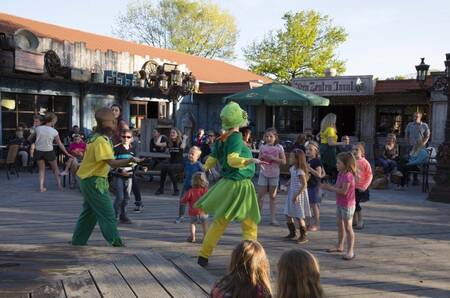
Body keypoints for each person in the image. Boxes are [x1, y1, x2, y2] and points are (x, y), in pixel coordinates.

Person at [194, 102, 266, 267]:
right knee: (249, 223)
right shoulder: (235, 137)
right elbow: (232, 160)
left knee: (219, 221)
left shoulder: (221, 139)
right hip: (241, 185)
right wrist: (250, 160)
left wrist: (204, 169)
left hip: (226, 185)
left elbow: (211, 159)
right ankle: (250, 260)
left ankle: (203, 256)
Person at [71, 108, 142, 247]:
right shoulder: (101, 141)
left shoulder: (94, 137)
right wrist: (131, 160)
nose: (115, 125)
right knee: (108, 213)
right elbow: (112, 162)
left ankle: (78, 241)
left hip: (89, 179)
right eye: (113, 122)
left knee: (89, 213)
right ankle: (116, 242)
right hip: (94, 180)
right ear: (106, 123)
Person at [321, 152, 357, 260]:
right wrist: (327, 189)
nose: (336, 164)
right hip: (340, 203)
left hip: (348, 205)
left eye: (338, 163)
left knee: (348, 227)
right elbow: (337, 186)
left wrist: (329, 188)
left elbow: (343, 191)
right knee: (340, 224)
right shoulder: (340, 173)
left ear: (346, 164)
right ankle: (340, 246)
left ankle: (350, 250)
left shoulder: (348, 176)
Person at [34, 112, 73, 192]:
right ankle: (59, 186)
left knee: (41, 169)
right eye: (55, 120)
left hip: (38, 151)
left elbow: (33, 137)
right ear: (52, 120)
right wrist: (67, 153)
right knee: (55, 169)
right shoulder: (54, 131)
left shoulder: (38, 128)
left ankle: (41, 187)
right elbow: (60, 144)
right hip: (49, 151)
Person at [257, 128, 286, 225]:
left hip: (274, 174)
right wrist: (261, 159)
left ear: (275, 137)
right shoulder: (262, 147)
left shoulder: (279, 147)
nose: (268, 138)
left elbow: (284, 161)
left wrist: (273, 158)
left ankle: (273, 219)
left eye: (271, 136)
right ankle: (258, 217)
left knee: (272, 197)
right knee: (260, 196)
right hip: (263, 173)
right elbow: (258, 160)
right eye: (266, 136)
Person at [283, 149, 311, 243]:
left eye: (291, 157)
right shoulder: (292, 169)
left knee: (299, 216)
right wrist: (288, 183)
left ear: (297, 159)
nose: (289, 158)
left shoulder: (300, 171)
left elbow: (304, 184)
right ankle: (292, 233)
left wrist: (297, 195)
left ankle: (304, 235)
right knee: (288, 213)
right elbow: (292, 179)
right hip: (292, 193)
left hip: (298, 194)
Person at [155, 128, 188, 196]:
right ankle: (161, 189)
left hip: (180, 164)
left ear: (177, 134)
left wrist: (184, 138)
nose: (172, 134)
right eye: (171, 133)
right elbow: (157, 144)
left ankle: (176, 189)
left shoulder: (180, 142)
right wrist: (161, 136)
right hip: (172, 164)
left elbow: (182, 147)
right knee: (164, 168)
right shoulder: (169, 143)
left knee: (169, 168)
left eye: (173, 133)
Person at [175, 146, 203, 223]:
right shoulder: (186, 163)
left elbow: (204, 174)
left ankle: (198, 217)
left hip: (196, 187)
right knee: (182, 201)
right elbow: (181, 153)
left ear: (197, 156)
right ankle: (181, 216)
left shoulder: (199, 165)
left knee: (196, 202)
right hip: (186, 185)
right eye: (189, 153)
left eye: (192, 154)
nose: (190, 155)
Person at [112, 129, 135, 224]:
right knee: (120, 197)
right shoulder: (116, 148)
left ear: (131, 138)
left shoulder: (132, 149)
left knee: (127, 197)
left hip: (129, 176)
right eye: (124, 136)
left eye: (128, 137)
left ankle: (123, 215)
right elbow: (112, 164)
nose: (126, 138)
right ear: (120, 137)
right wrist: (121, 171)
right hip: (118, 175)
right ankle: (114, 216)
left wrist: (133, 170)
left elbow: (134, 162)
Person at [180, 172, 209, 243]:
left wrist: (182, 201)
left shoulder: (191, 191)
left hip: (193, 212)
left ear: (193, 181)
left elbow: (183, 200)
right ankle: (205, 238)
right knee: (204, 225)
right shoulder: (205, 190)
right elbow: (209, 199)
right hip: (203, 212)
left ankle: (193, 237)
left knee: (193, 224)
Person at [405, 112, 430, 185]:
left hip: (419, 148)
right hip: (411, 146)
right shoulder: (410, 125)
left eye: (417, 117)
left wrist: (423, 144)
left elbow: (427, 136)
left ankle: (415, 178)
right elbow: (406, 135)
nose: (415, 118)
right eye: (414, 116)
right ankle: (408, 177)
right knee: (409, 161)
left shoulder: (424, 125)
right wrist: (408, 143)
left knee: (416, 162)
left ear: (420, 117)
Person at [351, 143, 373, 230]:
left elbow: (369, 175)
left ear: (362, 152)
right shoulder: (351, 161)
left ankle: (360, 220)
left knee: (356, 204)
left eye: (357, 150)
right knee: (353, 204)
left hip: (360, 187)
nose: (355, 151)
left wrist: (364, 186)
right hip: (352, 187)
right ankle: (354, 220)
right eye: (353, 149)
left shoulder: (365, 162)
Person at [319, 113, 345, 181]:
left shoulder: (324, 129)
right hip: (329, 149)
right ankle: (336, 181)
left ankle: (323, 180)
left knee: (324, 165)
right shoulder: (330, 129)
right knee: (335, 165)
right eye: (335, 119)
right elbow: (330, 143)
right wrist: (342, 143)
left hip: (323, 147)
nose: (335, 121)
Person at [306, 142, 325, 232]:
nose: (308, 151)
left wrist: (309, 169)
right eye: (307, 149)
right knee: (309, 205)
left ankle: (317, 224)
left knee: (314, 206)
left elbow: (319, 174)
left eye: (310, 149)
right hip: (309, 186)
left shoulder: (317, 161)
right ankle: (308, 223)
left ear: (316, 151)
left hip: (315, 186)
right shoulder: (308, 161)